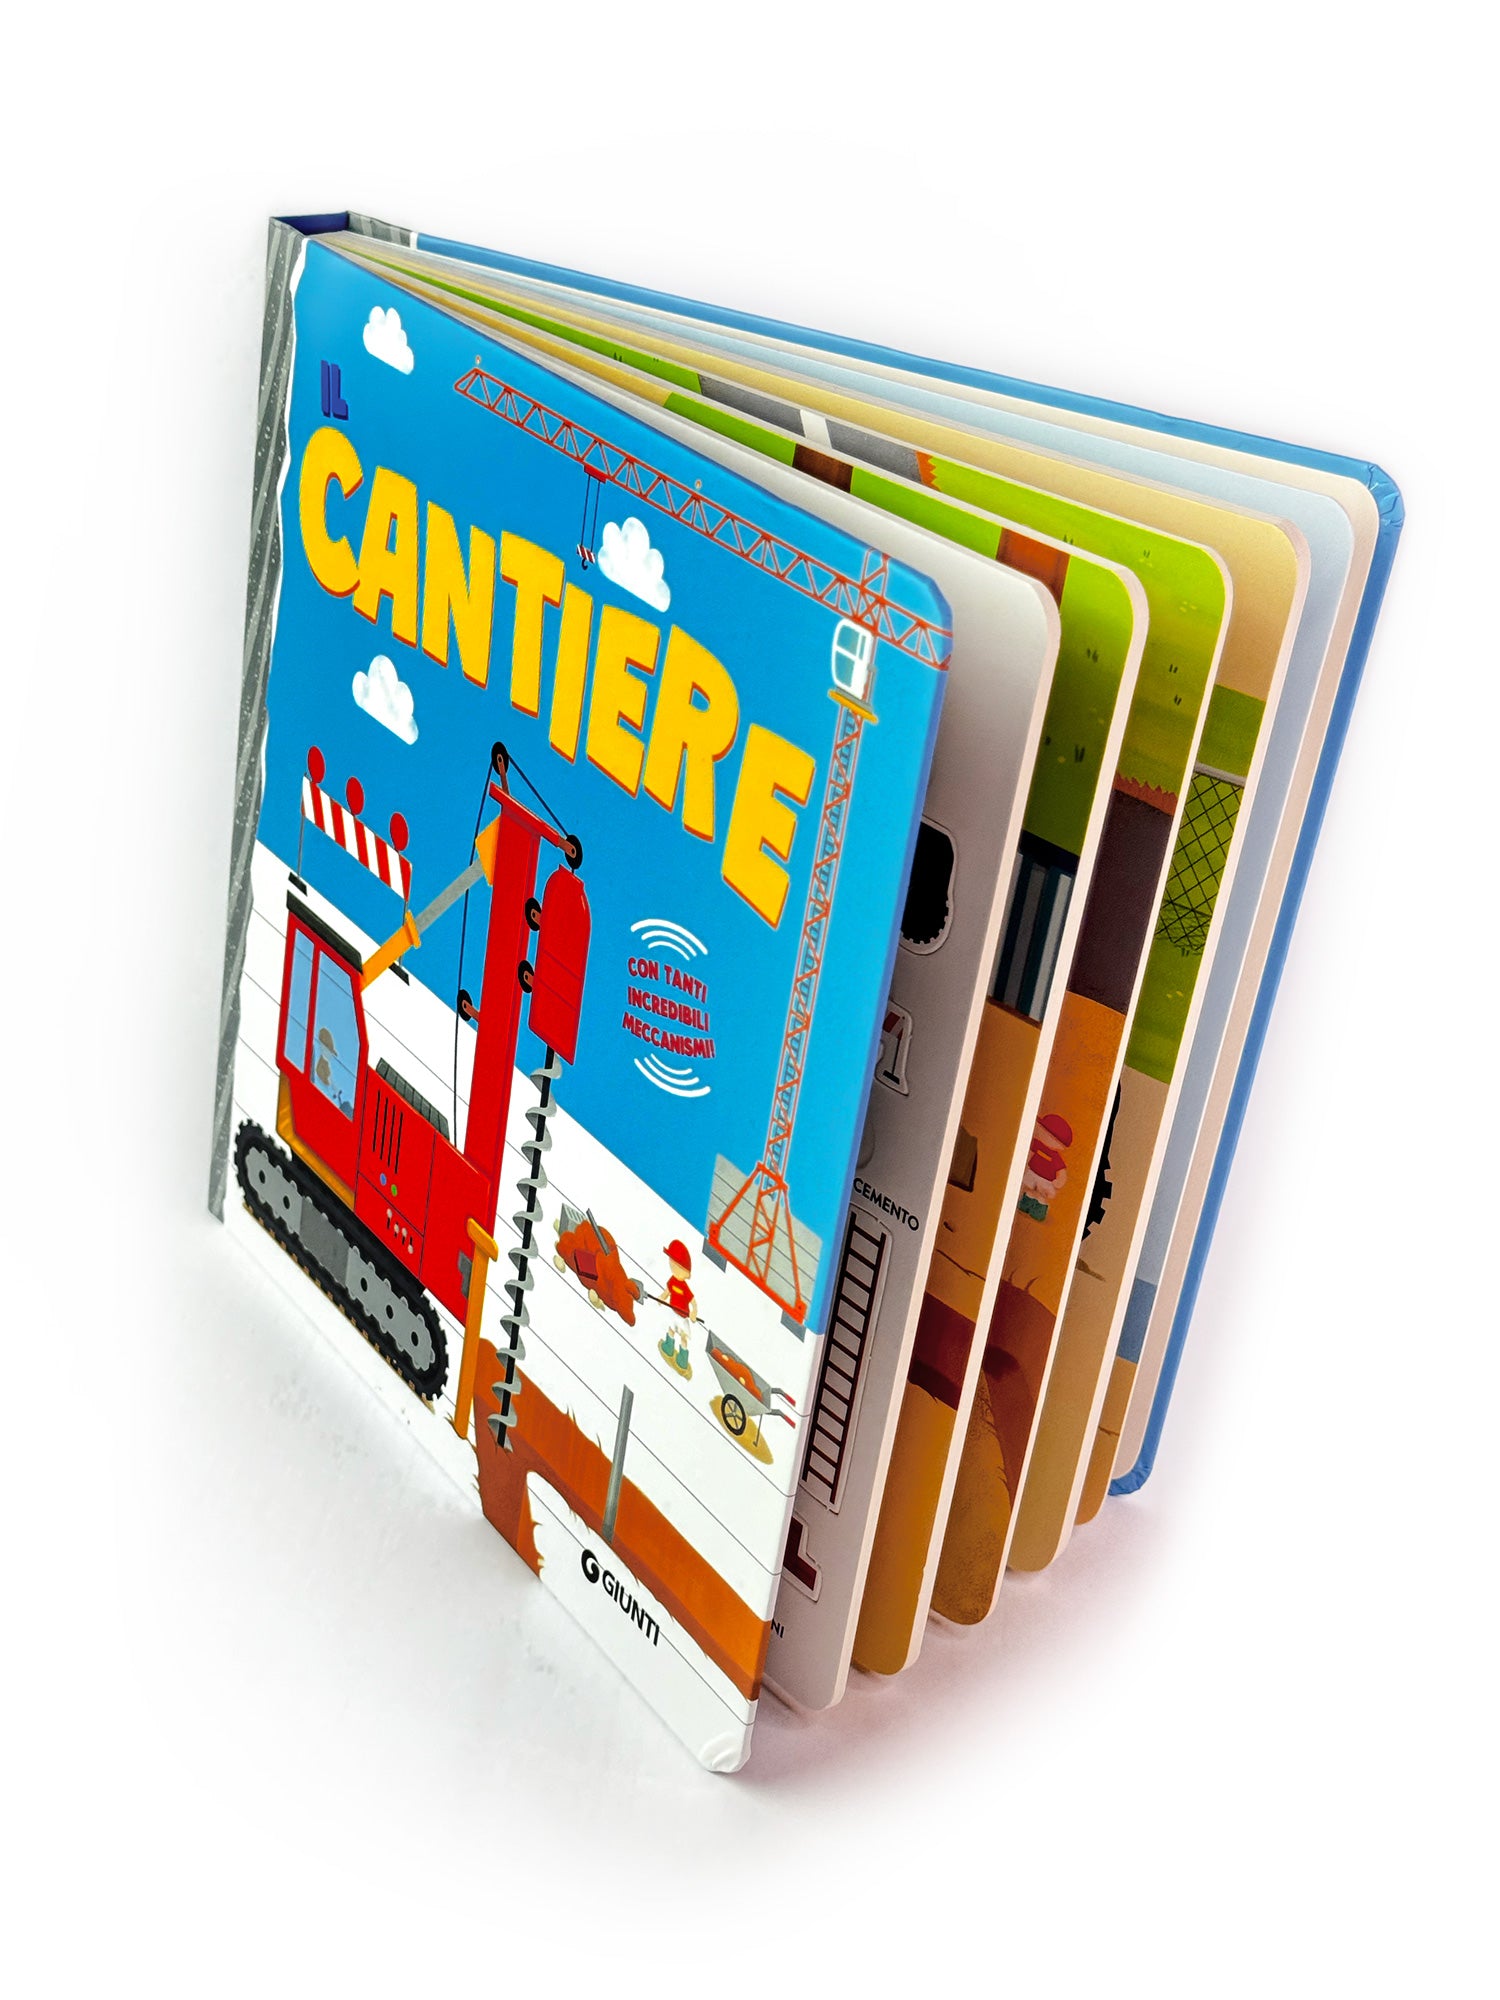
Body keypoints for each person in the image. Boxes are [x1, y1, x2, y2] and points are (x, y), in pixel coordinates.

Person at [653, 1239, 697, 1378]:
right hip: (673, 1313)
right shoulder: (672, 1281)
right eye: (672, 1265)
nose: (674, 1269)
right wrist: (661, 1298)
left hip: (682, 1317)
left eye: (678, 1267)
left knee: (683, 1337)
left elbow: (693, 1302)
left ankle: (682, 1360)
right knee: (671, 1330)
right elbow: (667, 1292)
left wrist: (694, 1312)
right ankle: (669, 1347)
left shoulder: (684, 1287)